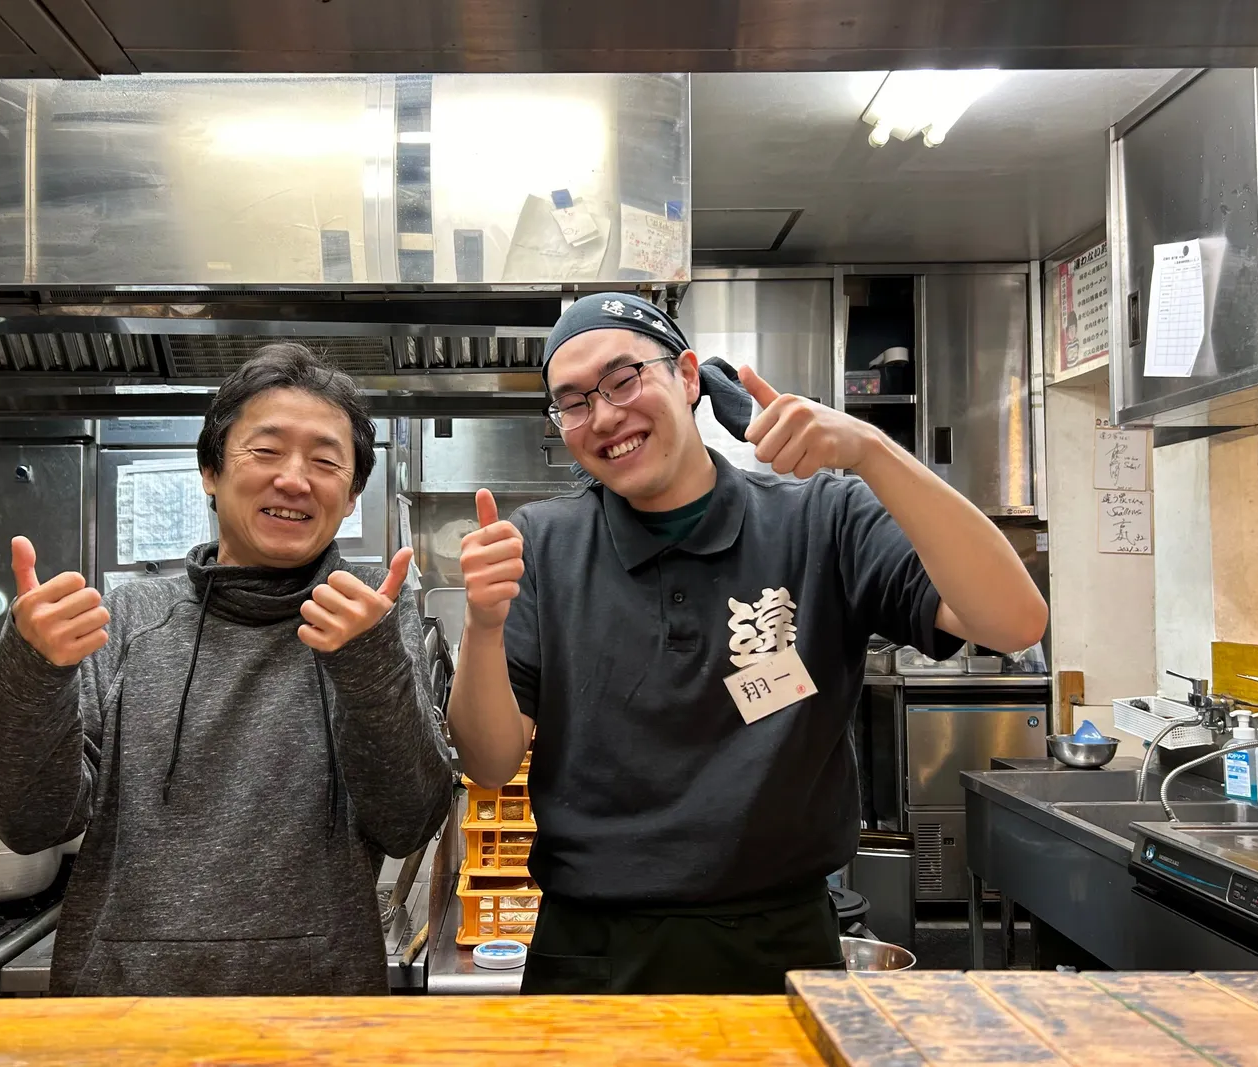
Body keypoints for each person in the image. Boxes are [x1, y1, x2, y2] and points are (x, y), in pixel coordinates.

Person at [448, 292, 1047, 995]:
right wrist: (481, 627)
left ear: (690, 377)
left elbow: (1013, 621)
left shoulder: (822, 517)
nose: (605, 415)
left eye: (624, 378)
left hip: (782, 947)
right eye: (573, 401)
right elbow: (489, 760)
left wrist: (870, 450)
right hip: (590, 953)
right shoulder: (542, 544)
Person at [0, 343, 452, 997]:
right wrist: (31, 667)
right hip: (120, 1014)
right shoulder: (130, 615)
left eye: (324, 460)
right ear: (210, 470)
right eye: (266, 449)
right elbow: (32, 821)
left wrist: (368, 662)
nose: (294, 477)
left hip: (317, 1014)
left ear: (350, 496)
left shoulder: (369, 614)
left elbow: (410, 818)